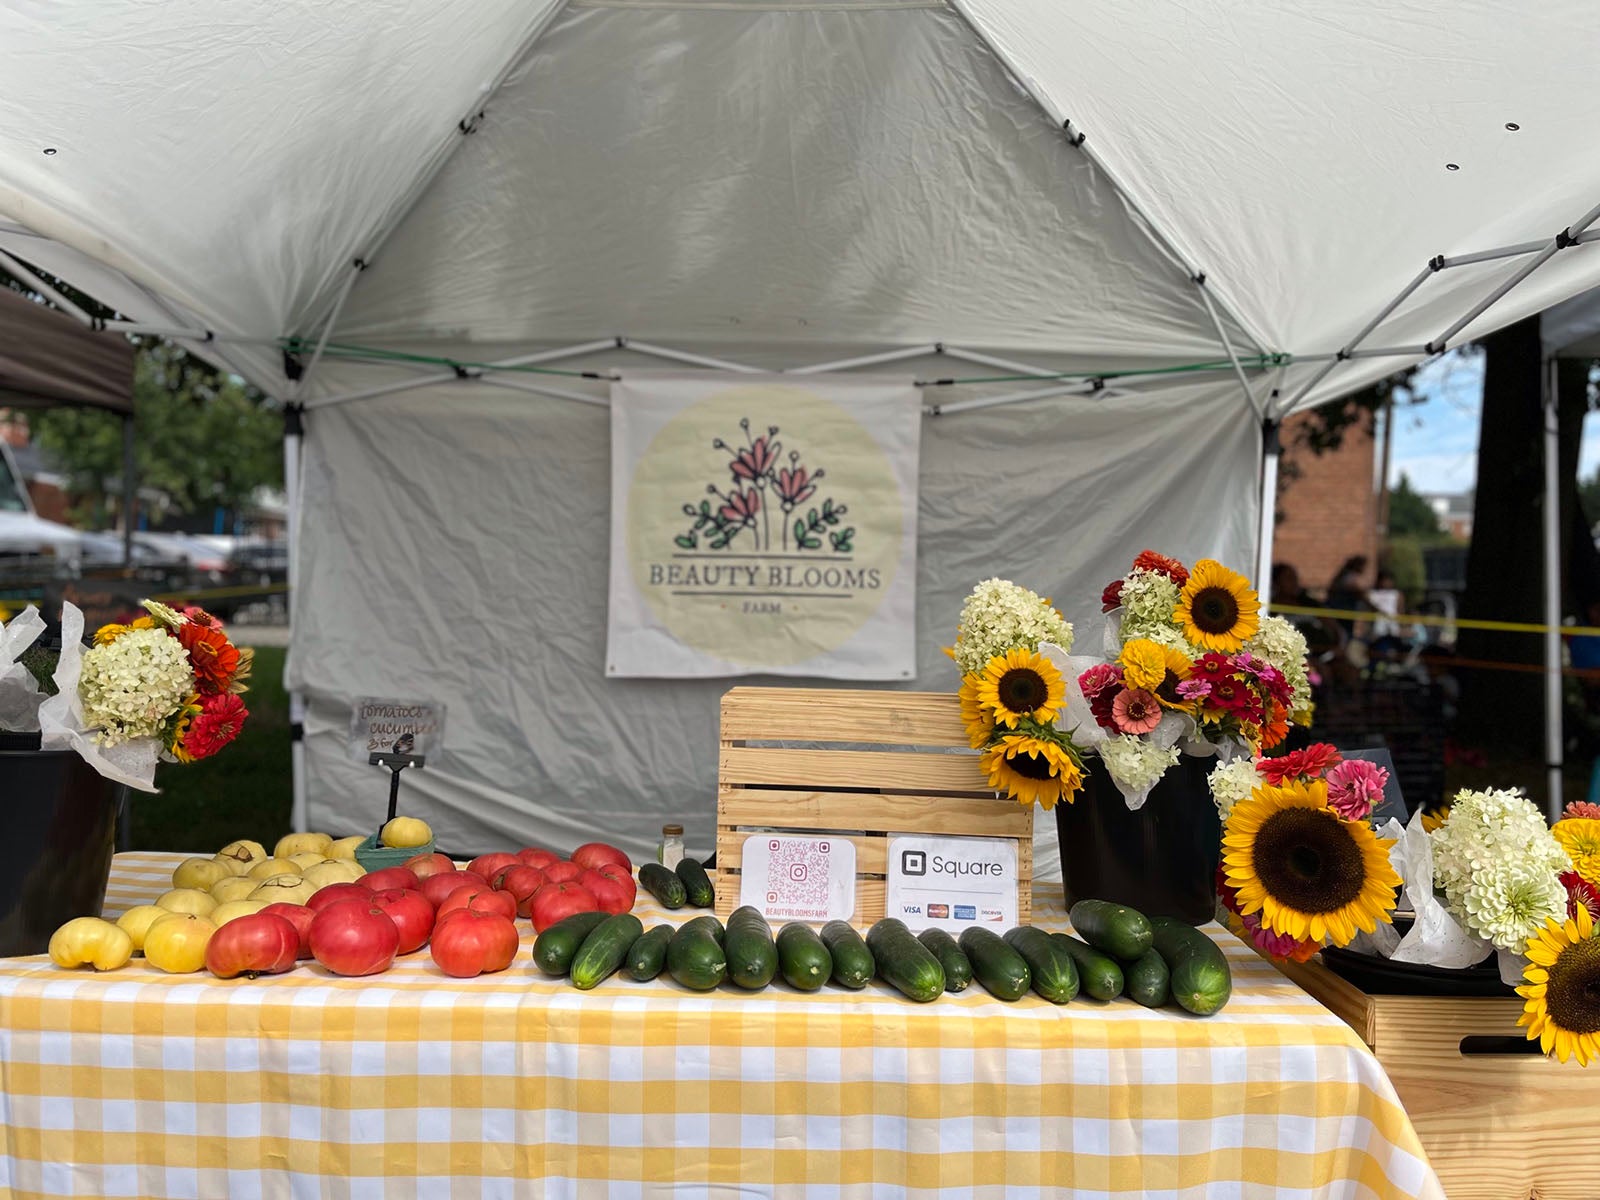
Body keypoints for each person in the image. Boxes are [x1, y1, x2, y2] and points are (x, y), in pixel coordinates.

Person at [1326, 556, 1369, 635]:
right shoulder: (1351, 578)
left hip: (1337, 611)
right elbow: (1362, 595)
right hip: (1343, 613)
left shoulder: (1343, 576)